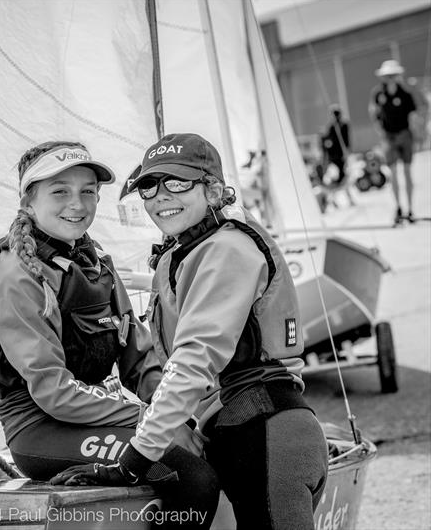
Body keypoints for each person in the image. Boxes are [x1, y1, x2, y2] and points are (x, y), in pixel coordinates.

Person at [52, 134, 328, 530]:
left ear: (214, 189)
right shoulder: (193, 249)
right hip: (252, 437)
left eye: (178, 182)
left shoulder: (226, 249)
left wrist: (134, 461)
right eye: (149, 186)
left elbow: (194, 360)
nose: (162, 196)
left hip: (267, 439)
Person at [0, 141, 219, 528]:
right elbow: (54, 392)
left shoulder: (95, 264)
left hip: (93, 420)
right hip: (41, 431)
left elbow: (140, 362)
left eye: (88, 192)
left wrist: (197, 411)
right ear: (28, 202)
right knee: (190, 476)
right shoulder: (13, 276)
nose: (77, 204)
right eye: (60, 191)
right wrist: (152, 420)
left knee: (218, 447)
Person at [369, 59, 417, 224]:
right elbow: (373, 113)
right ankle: (398, 208)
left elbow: (413, 115)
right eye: (387, 76)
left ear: (397, 76)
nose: (390, 79)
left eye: (393, 75)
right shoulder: (378, 94)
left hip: (404, 135)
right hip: (389, 137)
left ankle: (410, 209)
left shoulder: (405, 94)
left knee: (407, 172)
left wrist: (414, 133)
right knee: (394, 173)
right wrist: (381, 132)